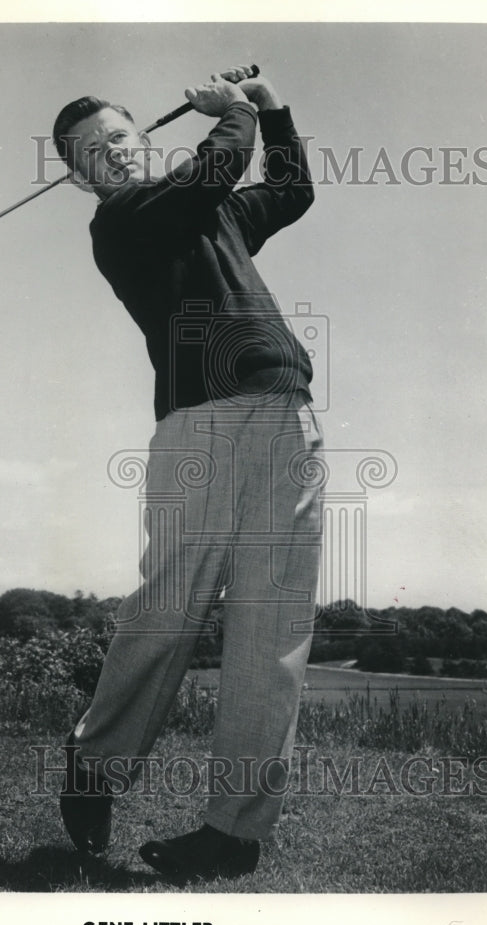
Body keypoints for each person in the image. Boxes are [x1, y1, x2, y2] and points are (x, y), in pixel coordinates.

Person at [51, 65, 323, 880]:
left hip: (286, 415)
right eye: (90, 151)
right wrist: (234, 109)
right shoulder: (124, 219)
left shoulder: (210, 216)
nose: (110, 153)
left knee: (273, 634)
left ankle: (232, 834)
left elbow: (292, 188)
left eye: (120, 137)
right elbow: (213, 167)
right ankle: (96, 763)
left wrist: (273, 107)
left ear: (144, 139)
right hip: (198, 425)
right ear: (79, 178)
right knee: (169, 606)